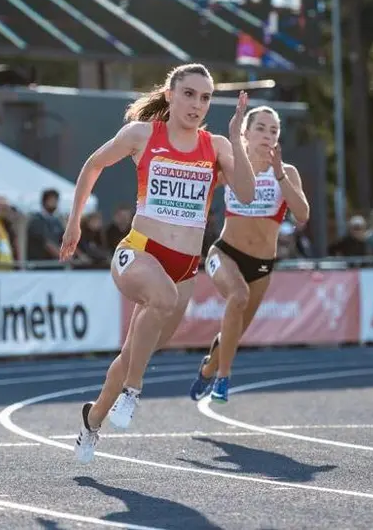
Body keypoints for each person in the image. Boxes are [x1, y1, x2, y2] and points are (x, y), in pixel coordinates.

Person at [59, 63, 256, 464]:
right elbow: (92, 165)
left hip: (186, 265)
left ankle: (91, 420)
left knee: (134, 352)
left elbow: (248, 194)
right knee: (161, 300)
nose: (197, 104)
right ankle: (133, 391)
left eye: (205, 97)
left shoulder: (216, 146)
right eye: (188, 94)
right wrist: (74, 224)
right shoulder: (143, 135)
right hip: (139, 251)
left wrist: (236, 137)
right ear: (169, 94)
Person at [188, 105, 309, 403]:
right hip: (225, 253)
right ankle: (223, 378)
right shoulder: (230, 167)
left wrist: (280, 175)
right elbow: (195, 189)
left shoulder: (287, 172)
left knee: (235, 331)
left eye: (274, 130)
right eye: (261, 128)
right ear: (245, 132)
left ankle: (208, 369)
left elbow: (303, 214)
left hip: (262, 265)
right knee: (238, 296)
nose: (268, 135)